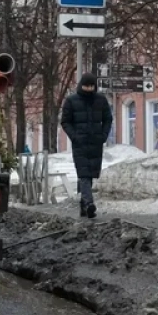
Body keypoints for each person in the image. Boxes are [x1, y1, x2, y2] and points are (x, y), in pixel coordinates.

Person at [61, 73, 114, 219]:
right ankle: (89, 203)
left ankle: (83, 205)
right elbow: (65, 121)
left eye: (91, 86)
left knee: (90, 174)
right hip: (80, 143)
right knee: (83, 173)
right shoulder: (71, 101)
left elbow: (108, 118)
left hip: (96, 142)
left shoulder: (101, 100)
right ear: (81, 85)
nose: (89, 89)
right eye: (86, 86)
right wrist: (75, 137)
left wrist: (103, 136)